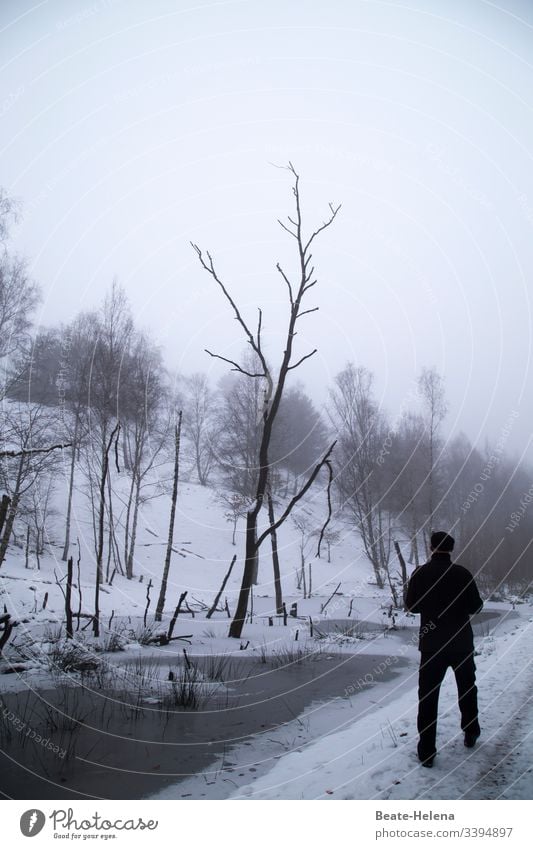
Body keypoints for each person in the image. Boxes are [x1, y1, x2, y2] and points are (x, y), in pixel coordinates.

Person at [405, 531, 483, 767]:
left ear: (431, 547)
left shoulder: (420, 573)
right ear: (451, 549)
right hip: (461, 643)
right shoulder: (462, 573)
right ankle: (471, 732)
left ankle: (426, 752)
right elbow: (476, 607)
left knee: (428, 697)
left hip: (432, 646)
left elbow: (412, 606)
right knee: (467, 689)